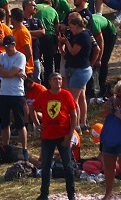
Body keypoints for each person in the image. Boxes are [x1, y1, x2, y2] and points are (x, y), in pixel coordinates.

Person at [36, 71, 81, 200]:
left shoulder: (66, 95)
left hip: (63, 135)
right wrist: (37, 123)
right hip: (47, 136)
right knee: (45, 166)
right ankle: (44, 194)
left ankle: (71, 194)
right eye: (55, 79)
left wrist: (70, 134)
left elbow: (74, 115)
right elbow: (32, 108)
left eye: (60, 79)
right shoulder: (44, 95)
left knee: (68, 166)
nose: (58, 81)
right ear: (50, 82)